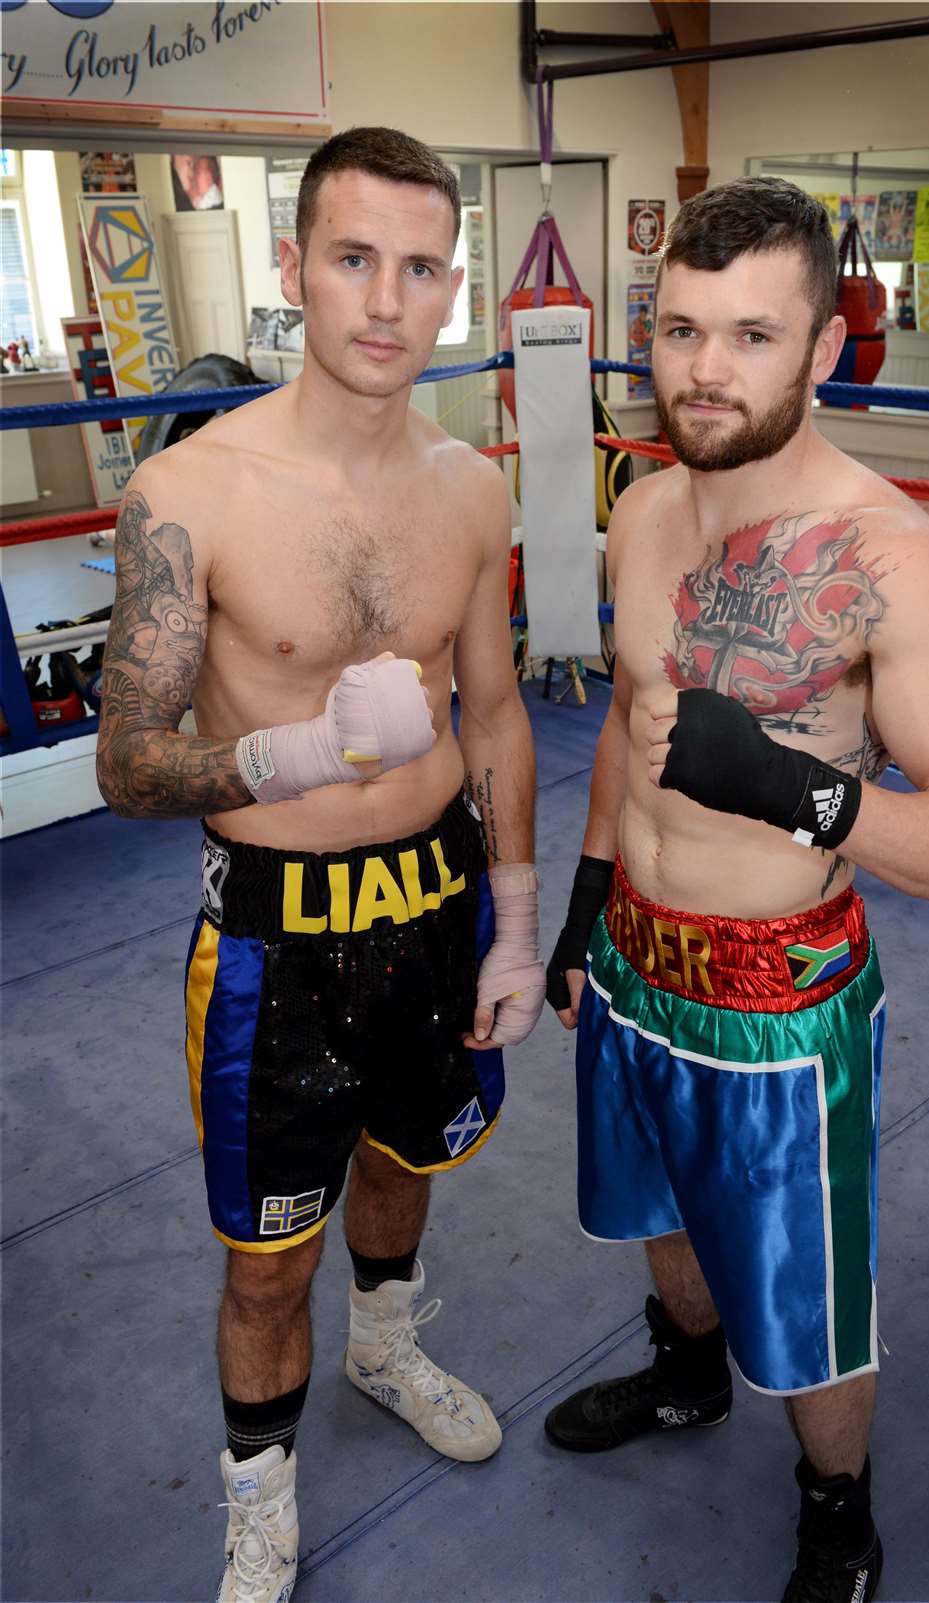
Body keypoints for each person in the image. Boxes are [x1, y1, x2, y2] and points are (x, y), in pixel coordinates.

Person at [544, 177, 929, 1603]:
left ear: (825, 347)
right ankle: (688, 1376)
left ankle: (838, 1507)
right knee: (660, 1216)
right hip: (633, 955)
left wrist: (792, 787)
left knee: (811, 1301)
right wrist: (584, 905)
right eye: (681, 328)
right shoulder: (639, 508)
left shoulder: (896, 561)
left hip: (781, 989)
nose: (704, 369)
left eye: (752, 334)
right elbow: (630, 737)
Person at [96, 126, 545, 1603]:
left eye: (420, 269)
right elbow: (126, 763)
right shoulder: (191, 495)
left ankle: (389, 1343)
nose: (384, 299)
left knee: (409, 1165)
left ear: (452, 290)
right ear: (295, 269)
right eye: (353, 259)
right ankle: (259, 1488)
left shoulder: (472, 489)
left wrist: (518, 919)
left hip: (435, 907)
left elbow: (493, 717)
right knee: (265, 1259)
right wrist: (288, 757)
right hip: (277, 941)